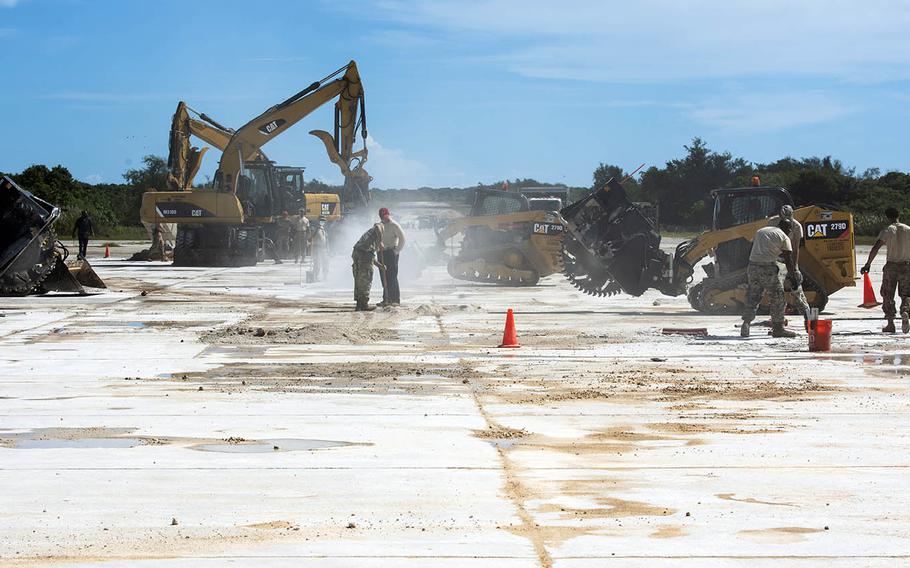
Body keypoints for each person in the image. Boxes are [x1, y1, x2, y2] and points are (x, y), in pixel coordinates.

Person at [741, 218, 799, 338]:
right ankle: (778, 329)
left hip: (752, 266)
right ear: (788, 229)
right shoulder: (784, 237)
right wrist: (793, 278)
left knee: (753, 296)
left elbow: (751, 246)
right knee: (778, 298)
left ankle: (746, 324)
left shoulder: (761, 231)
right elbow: (789, 260)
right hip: (767, 269)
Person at [861, 207, 910, 333]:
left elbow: (876, 248)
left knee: (888, 294)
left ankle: (890, 323)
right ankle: (905, 311)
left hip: (891, 266)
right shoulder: (908, 229)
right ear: (899, 215)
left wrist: (868, 264)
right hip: (906, 266)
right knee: (906, 294)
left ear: (887, 217)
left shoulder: (887, 230)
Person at [767, 205, 810, 321]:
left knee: (796, 288)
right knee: (777, 291)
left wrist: (794, 268)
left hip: (788, 258)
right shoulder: (772, 223)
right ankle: (778, 320)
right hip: (775, 259)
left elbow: (796, 249)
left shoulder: (797, 227)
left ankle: (808, 317)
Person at [376, 207, 406, 307]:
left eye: (385, 215)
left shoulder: (394, 225)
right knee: (383, 276)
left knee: (392, 276)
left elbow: (402, 238)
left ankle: (395, 300)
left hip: (391, 253)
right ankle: (386, 299)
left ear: (388, 214)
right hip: (381, 252)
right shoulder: (379, 226)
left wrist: (396, 251)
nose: (384, 218)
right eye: (382, 216)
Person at [351, 223, 384, 311]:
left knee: (359, 279)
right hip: (364, 255)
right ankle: (364, 304)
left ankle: (359, 305)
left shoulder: (369, 235)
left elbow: (372, 257)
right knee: (366, 279)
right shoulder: (379, 228)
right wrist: (380, 241)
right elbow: (377, 226)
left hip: (358, 253)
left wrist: (380, 266)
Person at [311, 215, 329, 281]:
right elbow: (310, 238)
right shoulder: (315, 229)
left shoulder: (324, 229)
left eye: (323, 220)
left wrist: (327, 249)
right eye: (321, 220)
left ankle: (325, 276)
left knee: (325, 263)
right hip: (317, 248)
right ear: (318, 221)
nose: (322, 222)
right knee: (317, 263)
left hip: (323, 249)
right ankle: (315, 276)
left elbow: (326, 240)